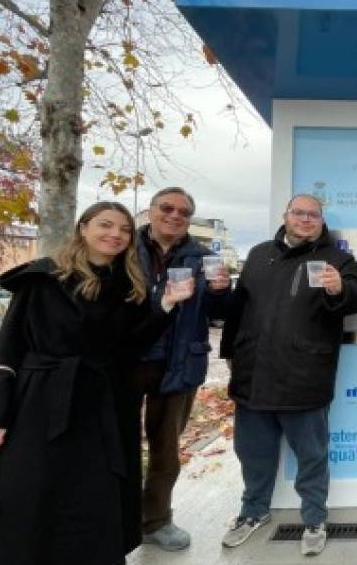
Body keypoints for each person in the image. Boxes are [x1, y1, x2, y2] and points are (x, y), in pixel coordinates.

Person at [0, 201, 193, 565]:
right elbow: (7, 349)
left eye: (123, 229)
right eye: (106, 225)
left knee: (94, 501)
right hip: (40, 406)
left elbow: (128, 348)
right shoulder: (42, 279)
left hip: (104, 409)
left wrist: (165, 305)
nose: (115, 235)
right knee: (32, 497)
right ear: (83, 228)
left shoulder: (127, 287)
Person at [219, 194, 357, 555]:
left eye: (312, 215)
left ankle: (314, 518)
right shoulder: (257, 255)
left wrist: (339, 288)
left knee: (312, 456)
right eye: (298, 213)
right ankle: (253, 512)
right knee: (252, 453)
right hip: (254, 374)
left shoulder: (337, 259)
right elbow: (237, 310)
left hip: (305, 375)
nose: (305, 219)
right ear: (286, 216)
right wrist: (228, 351)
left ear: (321, 220)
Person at [132, 187, 232, 551]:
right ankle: (118, 516)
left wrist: (222, 291)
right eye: (167, 208)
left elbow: (221, 313)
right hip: (127, 362)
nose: (175, 215)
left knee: (165, 449)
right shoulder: (125, 250)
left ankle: (155, 521)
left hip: (179, 363)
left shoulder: (203, 257)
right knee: (118, 445)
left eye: (184, 212)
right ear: (151, 211)